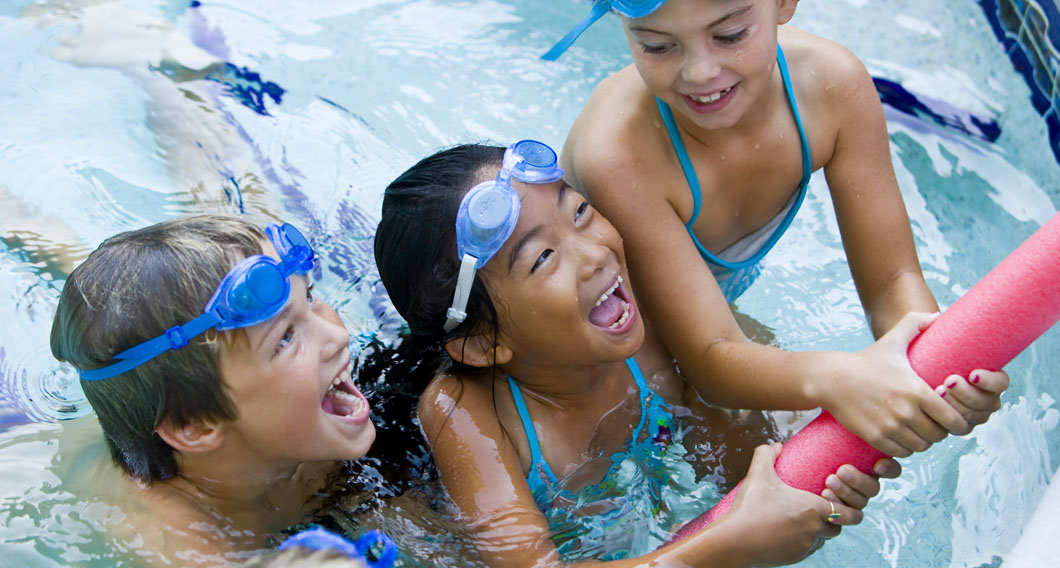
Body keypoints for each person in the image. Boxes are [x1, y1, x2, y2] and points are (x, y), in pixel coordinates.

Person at [372, 139, 974, 567]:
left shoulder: (657, 337)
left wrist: (815, 489)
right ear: (483, 342)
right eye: (544, 258)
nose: (596, 253)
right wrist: (726, 548)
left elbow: (748, 465)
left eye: (579, 211)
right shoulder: (464, 414)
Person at [553, 0, 1009, 458]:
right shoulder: (618, 156)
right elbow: (709, 360)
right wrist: (834, 378)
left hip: (708, 330)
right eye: (656, 45)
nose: (700, 72)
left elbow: (894, 282)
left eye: (730, 35)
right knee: (777, 485)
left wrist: (937, 365)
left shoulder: (830, 87)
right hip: (604, 366)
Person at [49, 215, 378, 566]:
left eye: (309, 296)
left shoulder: (298, 428)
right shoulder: (182, 544)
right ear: (195, 426)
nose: (338, 336)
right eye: (284, 338)